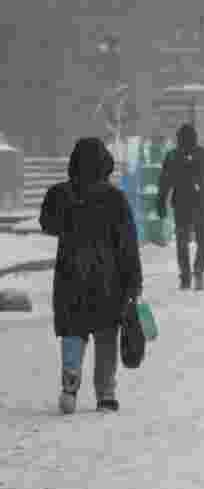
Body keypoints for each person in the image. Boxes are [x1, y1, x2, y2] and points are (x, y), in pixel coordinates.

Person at [38, 137, 143, 414]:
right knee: (106, 334)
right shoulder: (114, 198)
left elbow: (47, 223)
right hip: (108, 279)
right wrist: (134, 282)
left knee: (73, 332)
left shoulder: (60, 194)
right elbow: (128, 245)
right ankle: (105, 394)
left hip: (70, 275)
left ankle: (69, 388)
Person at [157, 123, 204, 291]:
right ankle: (198, 270)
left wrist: (161, 202)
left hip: (181, 204)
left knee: (182, 243)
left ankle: (186, 276)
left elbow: (164, 183)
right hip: (201, 203)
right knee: (203, 241)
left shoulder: (173, 156)